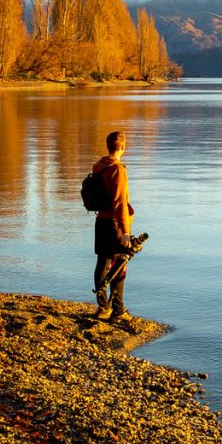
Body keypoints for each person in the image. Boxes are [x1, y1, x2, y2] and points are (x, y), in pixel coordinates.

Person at [93, 130, 135, 322]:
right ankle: (117, 310)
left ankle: (103, 307)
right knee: (120, 265)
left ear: (108, 146)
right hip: (114, 223)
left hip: (101, 220)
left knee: (102, 263)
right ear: (123, 147)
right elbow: (120, 203)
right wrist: (126, 232)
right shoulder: (118, 169)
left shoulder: (99, 166)